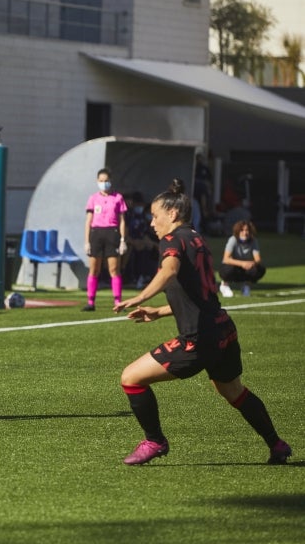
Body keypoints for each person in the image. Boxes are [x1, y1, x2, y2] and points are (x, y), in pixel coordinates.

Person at [114, 179, 290, 466]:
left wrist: (139, 296)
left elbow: (170, 272)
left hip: (201, 338)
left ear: (172, 214)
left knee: (131, 378)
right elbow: (199, 294)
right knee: (233, 391)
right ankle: (277, 444)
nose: (152, 223)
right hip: (223, 329)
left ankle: (155, 441)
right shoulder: (196, 238)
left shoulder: (171, 240)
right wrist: (158, 311)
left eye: (155, 216)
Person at [82, 167, 127, 311]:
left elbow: (122, 221)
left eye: (106, 181)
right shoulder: (93, 198)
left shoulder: (118, 198)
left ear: (110, 181)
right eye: (101, 181)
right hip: (96, 233)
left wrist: (122, 240)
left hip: (112, 233)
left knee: (114, 269)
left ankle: (118, 301)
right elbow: (88, 221)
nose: (104, 183)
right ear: (97, 181)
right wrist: (87, 241)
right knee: (94, 268)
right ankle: (90, 301)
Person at [218, 219, 266, 298]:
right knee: (228, 269)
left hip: (245, 266)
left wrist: (252, 264)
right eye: (242, 230)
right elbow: (226, 259)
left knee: (259, 269)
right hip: (233, 266)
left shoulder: (253, 241)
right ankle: (224, 285)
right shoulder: (233, 240)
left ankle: (246, 285)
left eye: (247, 230)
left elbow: (258, 259)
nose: (245, 233)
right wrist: (242, 263)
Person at [122, 191, 158, 289]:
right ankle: (128, 275)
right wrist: (134, 242)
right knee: (131, 249)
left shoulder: (138, 215)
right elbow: (125, 233)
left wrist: (148, 243)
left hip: (140, 241)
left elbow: (144, 232)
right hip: (127, 242)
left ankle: (145, 276)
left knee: (149, 247)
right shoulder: (124, 215)